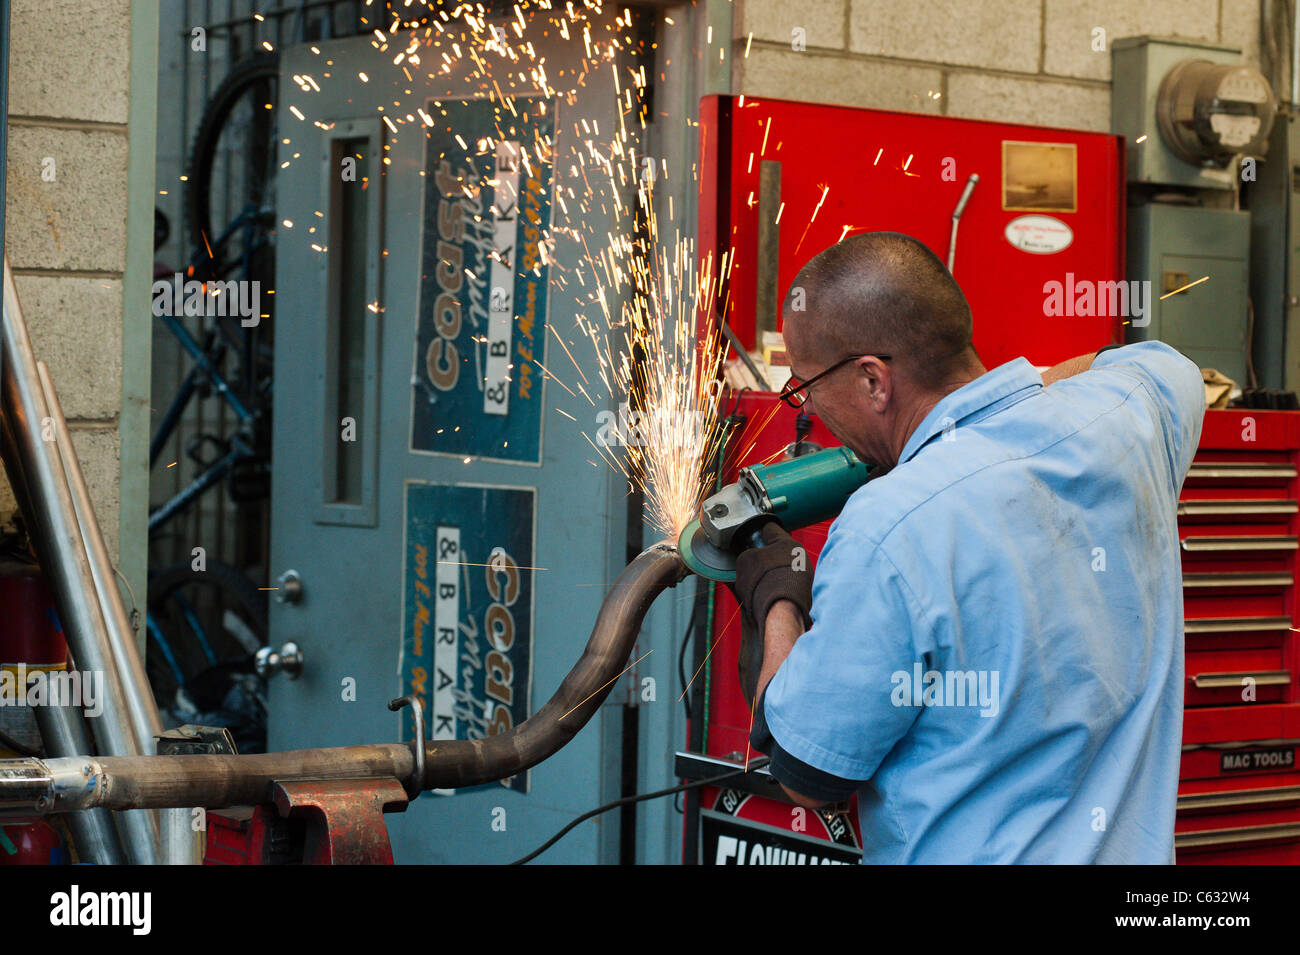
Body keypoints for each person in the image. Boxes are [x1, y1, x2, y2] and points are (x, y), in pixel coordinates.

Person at [732, 231, 1205, 863]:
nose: (810, 409)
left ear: (874, 381)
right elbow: (1161, 363)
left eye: (805, 387)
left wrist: (777, 594)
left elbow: (805, 774)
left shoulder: (889, 525)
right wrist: (1004, 404)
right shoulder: (1129, 415)